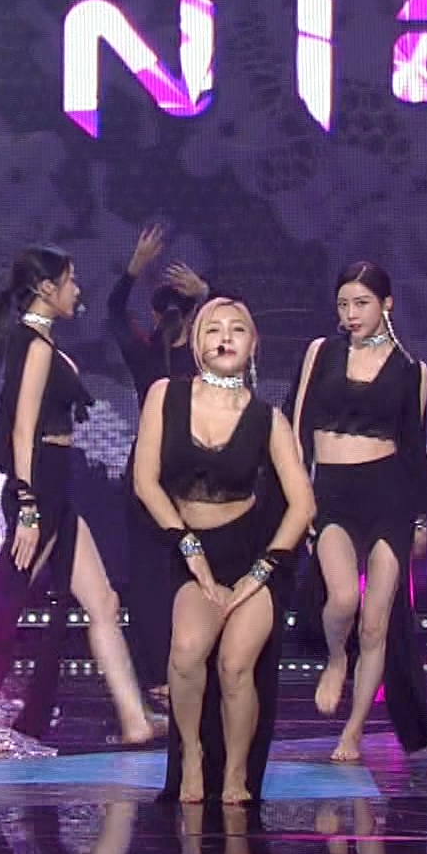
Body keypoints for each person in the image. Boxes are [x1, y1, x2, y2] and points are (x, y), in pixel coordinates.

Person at [0, 244, 160, 753]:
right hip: (40, 487)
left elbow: (5, 420)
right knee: (3, 604)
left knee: (103, 602)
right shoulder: (34, 345)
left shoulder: (35, 341)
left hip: (56, 486)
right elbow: (20, 429)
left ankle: (135, 720)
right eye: (71, 280)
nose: (77, 289)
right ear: (47, 288)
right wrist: (25, 506)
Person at [131, 297, 314, 803]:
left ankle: (236, 773)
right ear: (196, 342)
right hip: (189, 549)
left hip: (254, 554)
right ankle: (191, 754)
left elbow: (303, 504)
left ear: (253, 344)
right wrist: (186, 544)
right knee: (187, 652)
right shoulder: (165, 396)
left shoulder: (268, 419)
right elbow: (145, 481)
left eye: (237, 329)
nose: (225, 337)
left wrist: (263, 570)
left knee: (235, 664)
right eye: (213, 329)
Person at [287, 261, 427, 762]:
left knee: (377, 622)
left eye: (361, 303)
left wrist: (421, 518)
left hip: (388, 495)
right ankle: (336, 658)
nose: (351, 314)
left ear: (387, 305)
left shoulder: (413, 371)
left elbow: (414, 450)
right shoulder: (321, 352)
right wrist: (299, 495)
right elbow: (296, 429)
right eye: (343, 304)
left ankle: (354, 731)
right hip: (332, 492)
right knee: (342, 599)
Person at [107, 224, 210, 704]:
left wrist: (133, 268)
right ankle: (183, 672)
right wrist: (206, 292)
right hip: (186, 473)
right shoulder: (202, 357)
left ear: (154, 315)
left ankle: (162, 675)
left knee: (153, 578)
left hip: (160, 473)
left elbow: (113, 313)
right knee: (184, 573)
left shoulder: (149, 354)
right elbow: (237, 322)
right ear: (195, 317)